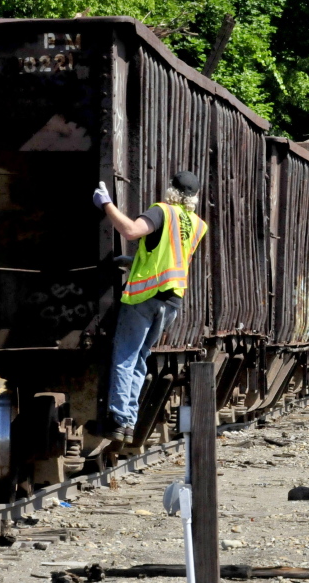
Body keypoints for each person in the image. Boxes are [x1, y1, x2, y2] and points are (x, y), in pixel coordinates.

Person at [92, 172, 208, 443]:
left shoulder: (162, 212)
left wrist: (106, 204)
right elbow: (170, 256)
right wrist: (134, 262)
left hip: (145, 297)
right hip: (171, 302)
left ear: (171, 191)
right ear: (194, 197)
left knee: (125, 357)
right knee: (139, 359)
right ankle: (129, 421)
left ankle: (120, 419)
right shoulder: (197, 224)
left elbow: (131, 230)